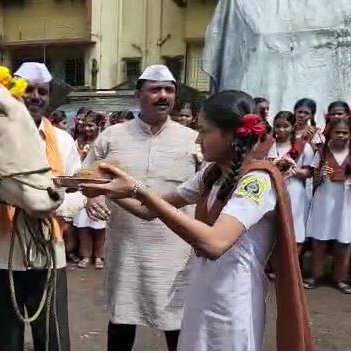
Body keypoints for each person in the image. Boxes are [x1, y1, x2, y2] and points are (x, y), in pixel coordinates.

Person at [80, 90, 312, 351]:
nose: (198, 140)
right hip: (201, 292)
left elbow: (214, 244)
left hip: (234, 302)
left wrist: (138, 190)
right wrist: (106, 189)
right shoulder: (211, 175)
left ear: (232, 134)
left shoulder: (257, 181)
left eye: (204, 131)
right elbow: (148, 210)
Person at [83, 64, 198, 351]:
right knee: (122, 321)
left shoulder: (194, 140)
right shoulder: (112, 136)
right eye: (155, 90)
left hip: (176, 252)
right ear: (138, 95)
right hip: (126, 249)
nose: (163, 96)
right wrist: (93, 196)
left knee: (178, 325)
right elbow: (86, 176)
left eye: (169, 90)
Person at [0, 62, 80, 350]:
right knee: (3, 340)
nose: (35, 96)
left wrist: (50, 206)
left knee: (54, 339)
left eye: (42, 91)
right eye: (28, 90)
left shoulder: (65, 141)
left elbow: (77, 190)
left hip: (48, 252)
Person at [304, 117, 351, 294]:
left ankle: (340, 278)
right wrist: (320, 173)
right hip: (324, 199)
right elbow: (312, 177)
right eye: (337, 132)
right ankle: (315, 275)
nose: (341, 135)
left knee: (344, 242)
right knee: (319, 240)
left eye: (345, 132)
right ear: (330, 133)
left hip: (346, 202)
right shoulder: (322, 151)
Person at [267, 111, 314, 257]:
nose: (281, 130)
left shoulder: (304, 147)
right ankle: (270, 267)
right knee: (272, 227)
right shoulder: (269, 146)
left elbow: (308, 172)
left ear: (293, 126)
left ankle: (292, 267)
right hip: (272, 190)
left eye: (285, 126)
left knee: (295, 228)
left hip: (295, 191)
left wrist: (295, 169)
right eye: (278, 126)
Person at [72, 111, 107, 269]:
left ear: (98, 126)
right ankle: (85, 255)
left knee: (100, 225)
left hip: (99, 186)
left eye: (91, 125)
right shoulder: (77, 141)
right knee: (83, 225)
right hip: (81, 186)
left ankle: (99, 256)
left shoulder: (104, 141)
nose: (87, 129)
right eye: (85, 125)